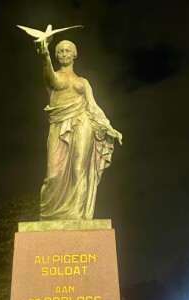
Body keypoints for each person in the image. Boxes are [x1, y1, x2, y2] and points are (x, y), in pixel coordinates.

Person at [37, 39, 122, 220]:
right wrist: (45, 56)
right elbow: (49, 78)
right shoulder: (53, 75)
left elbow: (93, 105)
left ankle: (78, 215)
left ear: (75, 54)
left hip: (83, 122)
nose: (65, 54)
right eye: (61, 51)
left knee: (79, 169)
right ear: (56, 55)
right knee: (53, 173)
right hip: (59, 125)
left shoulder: (83, 82)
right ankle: (55, 216)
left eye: (68, 51)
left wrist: (108, 126)